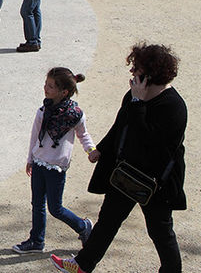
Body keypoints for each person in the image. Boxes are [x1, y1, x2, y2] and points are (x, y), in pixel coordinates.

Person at [51, 43, 187, 273]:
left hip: (156, 183)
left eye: (137, 69)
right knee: (107, 222)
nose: (133, 73)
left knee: (160, 231)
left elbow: (151, 143)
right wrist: (101, 150)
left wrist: (139, 103)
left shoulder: (174, 107)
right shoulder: (133, 97)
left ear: (150, 75)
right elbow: (120, 127)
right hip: (125, 173)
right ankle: (82, 265)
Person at [12, 67, 96, 254]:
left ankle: (83, 227)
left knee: (55, 208)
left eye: (50, 86)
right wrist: (30, 159)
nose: (45, 88)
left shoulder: (75, 114)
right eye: (45, 84)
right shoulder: (42, 112)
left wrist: (91, 150)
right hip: (39, 163)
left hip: (56, 167)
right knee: (37, 204)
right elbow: (34, 137)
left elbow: (84, 135)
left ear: (63, 92)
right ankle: (36, 241)